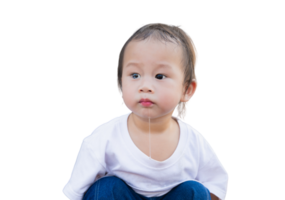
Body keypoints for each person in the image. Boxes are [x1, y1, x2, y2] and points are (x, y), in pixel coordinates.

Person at [61, 22, 230, 200]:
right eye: (135, 75)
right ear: (119, 87)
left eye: (160, 76)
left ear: (187, 89)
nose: (145, 86)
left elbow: (217, 186)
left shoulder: (194, 141)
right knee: (106, 187)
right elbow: (75, 192)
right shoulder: (104, 137)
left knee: (195, 190)